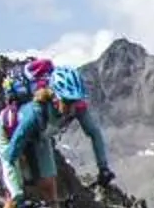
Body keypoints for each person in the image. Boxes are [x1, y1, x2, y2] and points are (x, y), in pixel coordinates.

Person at [0, 68, 62, 208]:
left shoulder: (41, 107)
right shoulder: (24, 115)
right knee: (15, 196)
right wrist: (13, 170)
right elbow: (12, 151)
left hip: (30, 139)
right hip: (9, 141)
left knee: (51, 195)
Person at [43, 63, 119, 197]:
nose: (72, 106)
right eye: (68, 101)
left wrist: (103, 168)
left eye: (75, 100)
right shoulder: (41, 104)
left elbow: (94, 133)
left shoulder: (78, 106)